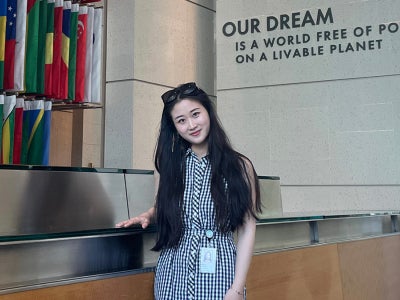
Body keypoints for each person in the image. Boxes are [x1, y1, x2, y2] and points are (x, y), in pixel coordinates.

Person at [116, 82, 261, 300]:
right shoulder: (170, 166)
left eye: (195, 114)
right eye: (181, 121)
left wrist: (237, 288)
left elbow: (248, 227)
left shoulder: (239, 166)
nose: (191, 125)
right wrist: (149, 214)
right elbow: (162, 205)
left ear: (208, 112)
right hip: (173, 271)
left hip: (220, 272)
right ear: (174, 127)